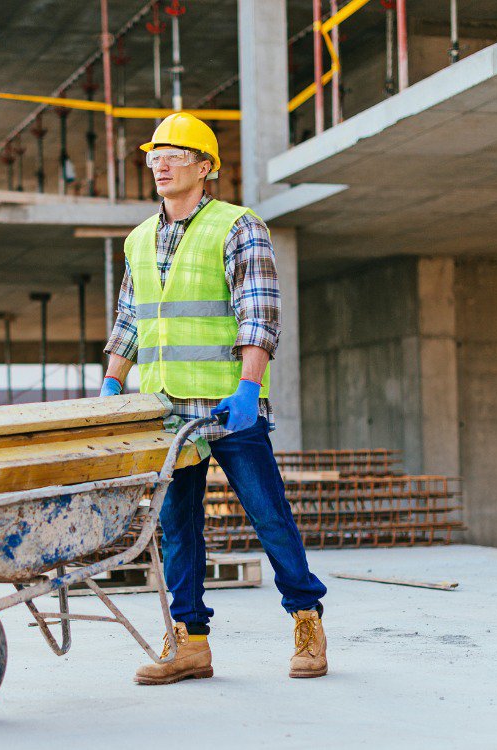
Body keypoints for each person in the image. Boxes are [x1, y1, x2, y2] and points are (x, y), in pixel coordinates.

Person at [100, 112, 328, 684]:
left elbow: (259, 311)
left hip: (229, 404)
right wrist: (111, 382)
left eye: (174, 154)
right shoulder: (137, 239)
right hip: (164, 409)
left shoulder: (238, 226)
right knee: (178, 526)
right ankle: (190, 642)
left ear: (205, 168)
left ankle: (306, 620)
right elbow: (131, 319)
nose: (160, 163)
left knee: (267, 515)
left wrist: (249, 387)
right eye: (155, 156)